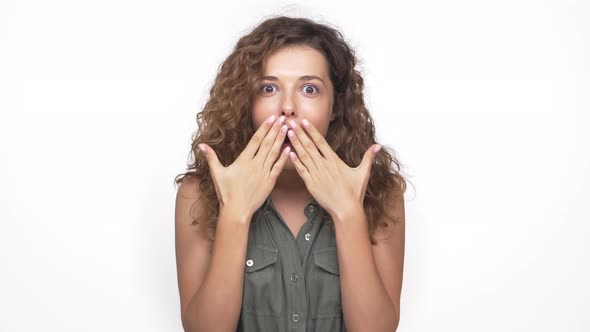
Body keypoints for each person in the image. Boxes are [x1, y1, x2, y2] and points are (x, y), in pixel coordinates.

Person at [174, 15, 408, 332]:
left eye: (309, 89)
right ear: (246, 100)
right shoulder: (198, 193)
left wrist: (347, 213)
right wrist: (236, 213)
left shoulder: (381, 192)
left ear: (335, 107)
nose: (287, 107)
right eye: (269, 88)